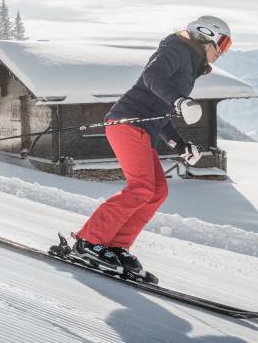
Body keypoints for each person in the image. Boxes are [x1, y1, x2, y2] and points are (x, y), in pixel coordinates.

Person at [57, 16, 232, 274]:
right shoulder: (177, 48)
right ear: (206, 36)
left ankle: (115, 246)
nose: (222, 52)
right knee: (141, 188)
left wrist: (180, 146)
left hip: (143, 129)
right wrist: (179, 100)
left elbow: (160, 115)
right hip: (127, 123)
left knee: (157, 191)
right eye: (223, 44)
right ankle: (89, 241)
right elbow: (152, 76)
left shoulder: (190, 66)